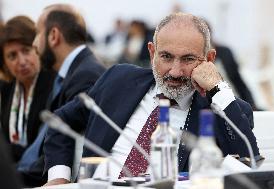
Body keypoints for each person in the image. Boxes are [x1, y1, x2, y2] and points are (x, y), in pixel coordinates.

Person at [44, 12, 260, 185]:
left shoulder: (223, 109)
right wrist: (58, 178)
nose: (175, 72)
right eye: (166, 57)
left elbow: (249, 164)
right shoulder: (118, 80)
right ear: (152, 52)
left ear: (209, 59)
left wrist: (218, 88)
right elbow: (60, 121)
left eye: (188, 59)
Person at [17, 4, 106, 187]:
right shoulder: (70, 74)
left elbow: (63, 139)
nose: (34, 44)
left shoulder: (86, 76)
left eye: (37, 34)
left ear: (53, 36)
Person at [0, 16, 56, 162]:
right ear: (4, 62)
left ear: (38, 47)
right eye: (12, 56)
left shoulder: (54, 84)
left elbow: (44, 148)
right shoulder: (7, 88)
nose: (22, 61)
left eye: (26, 50)